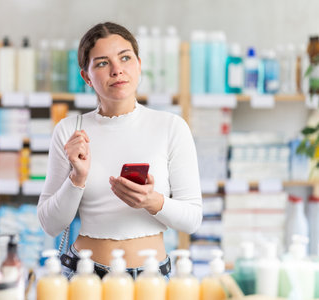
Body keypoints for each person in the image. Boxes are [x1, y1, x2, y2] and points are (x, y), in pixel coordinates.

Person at [37, 22, 202, 280]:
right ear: (86, 77)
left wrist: (153, 202)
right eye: (102, 63)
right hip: (85, 278)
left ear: (139, 63)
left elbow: (192, 219)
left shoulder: (171, 127)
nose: (117, 70)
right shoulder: (71, 131)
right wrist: (76, 179)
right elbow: (50, 225)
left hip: (151, 280)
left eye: (125, 58)